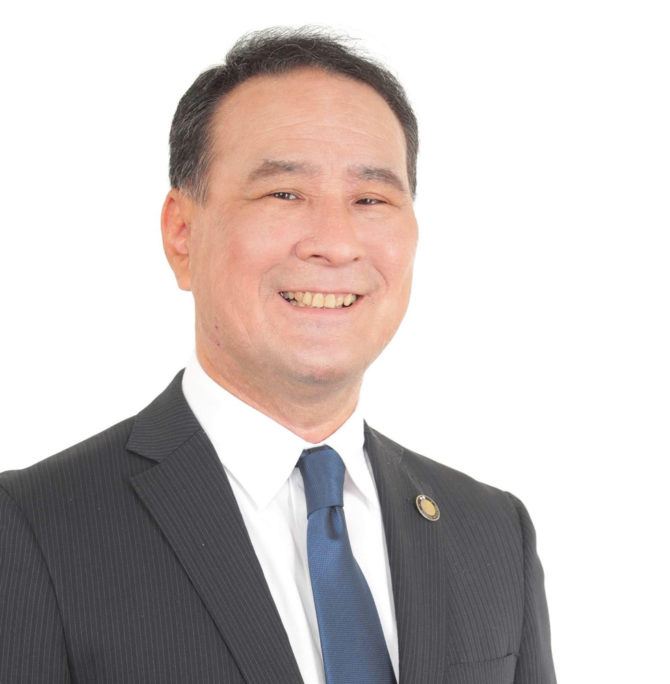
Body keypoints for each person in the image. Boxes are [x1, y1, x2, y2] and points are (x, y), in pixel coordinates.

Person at [0, 28, 555, 684]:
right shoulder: (34, 530)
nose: (335, 243)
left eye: (371, 199)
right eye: (284, 194)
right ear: (182, 234)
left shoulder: (492, 532)